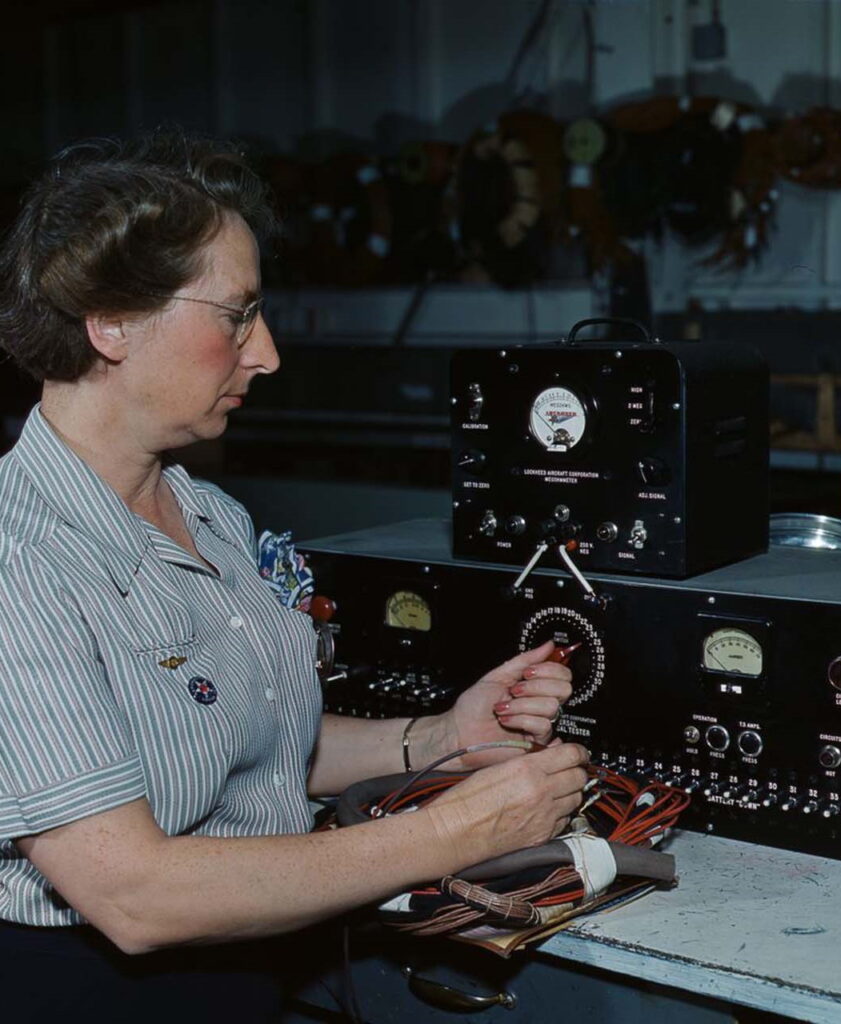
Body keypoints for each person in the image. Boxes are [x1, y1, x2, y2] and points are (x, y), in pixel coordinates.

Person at [0, 131, 587, 1022]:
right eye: (236, 315)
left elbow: (244, 741)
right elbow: (134, 896)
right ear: (111, 322)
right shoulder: (22, 560)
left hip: (254, 973)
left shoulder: (207, 513)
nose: (267, 352)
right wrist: (453, 831)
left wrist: (436, 738)